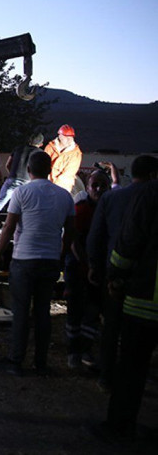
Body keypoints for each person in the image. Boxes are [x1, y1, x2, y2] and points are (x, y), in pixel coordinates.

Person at [0, 151, 75, 376]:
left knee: (20, 312)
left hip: (23, 259)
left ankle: (16, 360)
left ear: (28, 170)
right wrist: (62, 254)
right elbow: (70, 232)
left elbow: (9, 227)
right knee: (42, 312)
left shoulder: (21, 192)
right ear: (50, 170)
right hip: (49, 260)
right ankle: (41, 363)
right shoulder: (64, 196)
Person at [87, 155, 158, 390]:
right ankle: (139, 377)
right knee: (140, 337)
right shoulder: (150, 199)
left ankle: (107, 376)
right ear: (153, 176)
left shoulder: (111, 198)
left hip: (114, 277)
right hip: (146, 282)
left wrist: (96, 268)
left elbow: (96, 237)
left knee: (111, 327)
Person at [99, 179, 158, 440]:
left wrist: (115, 275)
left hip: (147, 299)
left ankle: (119, 428)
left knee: (132, 368)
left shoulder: (151, 192)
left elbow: (129, 240)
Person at [64, 169, 111, 370]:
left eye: (103, 185)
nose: (98, 189)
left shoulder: (110, 210)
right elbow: (73, 241)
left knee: (93, 310)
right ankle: (73, 352)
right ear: (88, 187)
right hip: (77, 267)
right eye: (94, 185)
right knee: (75, 310)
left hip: (98, 269)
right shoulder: (81, 210)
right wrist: (87, 265)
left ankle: (86, 349)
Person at [0, 133, 44, 213]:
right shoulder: (40, 153)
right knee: (25, 207)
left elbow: (7, 165)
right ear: (41, 144)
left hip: (12, 179)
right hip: (28, 182)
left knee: (0, 202)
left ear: (29, 140)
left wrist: (13, 174)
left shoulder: (18, 148)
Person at [44, 124, 82, 193]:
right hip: (47, 183)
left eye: (71, 137)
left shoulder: (76, 153)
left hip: (63, 186)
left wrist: (54, 186)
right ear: (60, 136)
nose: (69, 140)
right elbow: (44, 164)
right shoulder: (50, 147)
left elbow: (69, 173)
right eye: (67, 137)